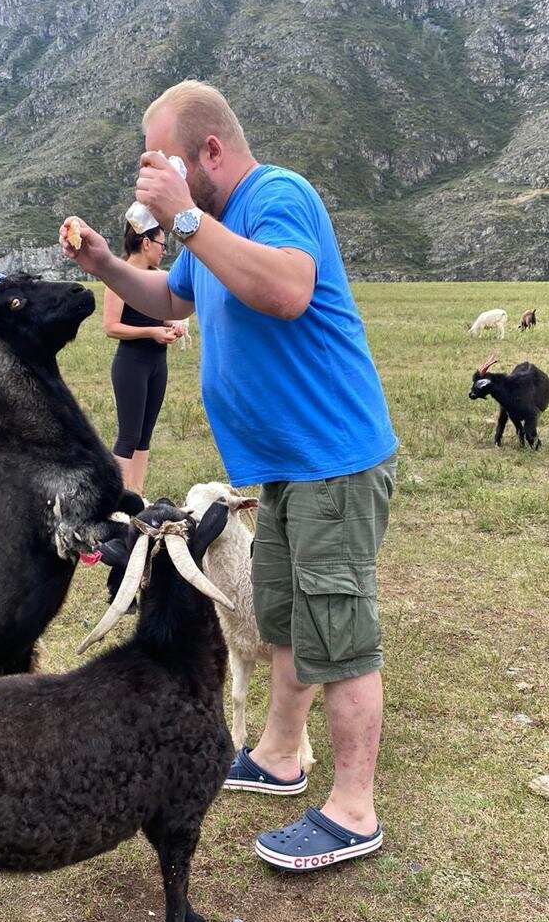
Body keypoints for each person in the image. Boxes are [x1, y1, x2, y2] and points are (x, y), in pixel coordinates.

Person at [61, 80, 397, 873]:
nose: (154, 177)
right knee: (281, 617)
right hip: (282, 470)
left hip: (333, 461)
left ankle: (354, 809)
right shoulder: (204, 233)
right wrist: (106, 261)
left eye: (167, 160)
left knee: (339, 632)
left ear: (209, 152)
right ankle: (282, 756)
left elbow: (286, 290)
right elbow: (166, 292)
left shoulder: (276, 195)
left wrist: (183, 215)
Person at [103, 222, 180, 495]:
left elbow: (166, 314)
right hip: (131, 364)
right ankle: (117, 497)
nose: (163, 251)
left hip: (158, 364)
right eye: (161, 244)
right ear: (146, 243)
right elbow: (111, 327)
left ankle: (137, 495)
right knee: (129, 435)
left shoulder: (159, 276)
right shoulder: (119, 277)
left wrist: (174, 325)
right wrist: (151, 332)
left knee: (145, 435)